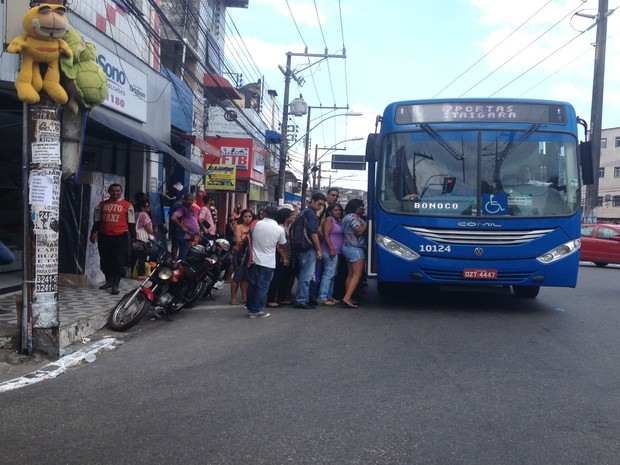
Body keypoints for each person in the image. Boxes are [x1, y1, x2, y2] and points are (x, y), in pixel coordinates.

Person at [90, 183, 136, 295]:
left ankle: (115, 285)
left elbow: (131, 225)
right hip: (104, 236)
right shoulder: (101, 205)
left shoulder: (127, 206)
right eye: (113, 191)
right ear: (108, 192)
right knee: (105, 260)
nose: (115, 193)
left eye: (118, 191)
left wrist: (134, 239)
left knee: (118, 261)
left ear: (121, 192)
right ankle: (108, 281)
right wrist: (93, 233)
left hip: (120, 237)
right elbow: (97, 221)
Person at [245, 206, 288, 318]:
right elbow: (281, 245)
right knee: (262, 286)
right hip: (268, 261)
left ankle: (250, 307)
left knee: (253, 284)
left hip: (253, 259)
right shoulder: (280, 229)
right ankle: (256, 310)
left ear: (264, 214)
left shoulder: (255, 224)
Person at [294, 192, 326, 309]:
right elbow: (313, 233)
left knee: (304, 273)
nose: (320, 207)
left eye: (322, 205)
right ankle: (301, 299)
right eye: (319, 204)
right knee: (306, 275)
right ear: (312, 201)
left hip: (300, 247)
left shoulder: (303, 212)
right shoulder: (311, 214)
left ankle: (302, 298)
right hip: (308, 248)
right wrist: (318, 249)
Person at [341, 199, 368, 309]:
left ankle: (348, 296)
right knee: (357, 275)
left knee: (351, 274)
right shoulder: (353, 217)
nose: (363, 209)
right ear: (356, 207)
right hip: (356, 248)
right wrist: (369, 221)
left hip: (347, 247)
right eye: (362, 207)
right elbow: (359, 230)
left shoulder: (346, 217)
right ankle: (347, 298)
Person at [266, 207, 294, 308]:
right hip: (281, 256)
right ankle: (271, 298)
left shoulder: (289, 227)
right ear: (286, 217)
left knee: (285, 278)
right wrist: (284, 256)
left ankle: (282, 297)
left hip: (289, 254)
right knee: (277, 277)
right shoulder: (280, 228)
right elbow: (279, 245)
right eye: (291, 215)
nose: (293, 216)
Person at [317, 203, 344, 306]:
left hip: (337, 251)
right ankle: (322, 297)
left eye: (339, 210)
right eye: (335, 210)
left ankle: (329, 296)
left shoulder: (338, 221)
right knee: (328, 274)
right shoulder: (329, 220)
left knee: (332, 274)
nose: (338, 212)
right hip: (329, 251)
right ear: (330, 211)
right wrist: (331, 249)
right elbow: (326, 235)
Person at [230, 209, 255, 305]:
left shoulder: (253, 227)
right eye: (245, 216)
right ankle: (233, 298)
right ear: (242, 217)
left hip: (249, 254)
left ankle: (244, 297)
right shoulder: (239, 227)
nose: (248, 218)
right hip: (240, 254)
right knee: (237, 276)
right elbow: (238, 241)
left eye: (250, 216)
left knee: (246, 277)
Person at [170, 193, 199, 260]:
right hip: (183, 234)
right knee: (183, 253)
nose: (190, 201)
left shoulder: (191, 209)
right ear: (184, 200)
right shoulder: (182, 208)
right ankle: (180, 267)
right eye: (189, 200)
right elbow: (173, 218)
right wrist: (182, 227)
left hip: (190, 235)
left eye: (192, 200)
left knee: (188, 253)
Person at [132, 199, 154, 279]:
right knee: (143, 255)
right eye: (147, 206)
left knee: (136, 255)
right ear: (142, 207)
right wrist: (153, 232)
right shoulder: (144, 214)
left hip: (135, 236)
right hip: (143, 238)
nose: (149, 207)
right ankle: (141, 274)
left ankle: (134, 272)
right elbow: (148, 228)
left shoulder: (136, 214)